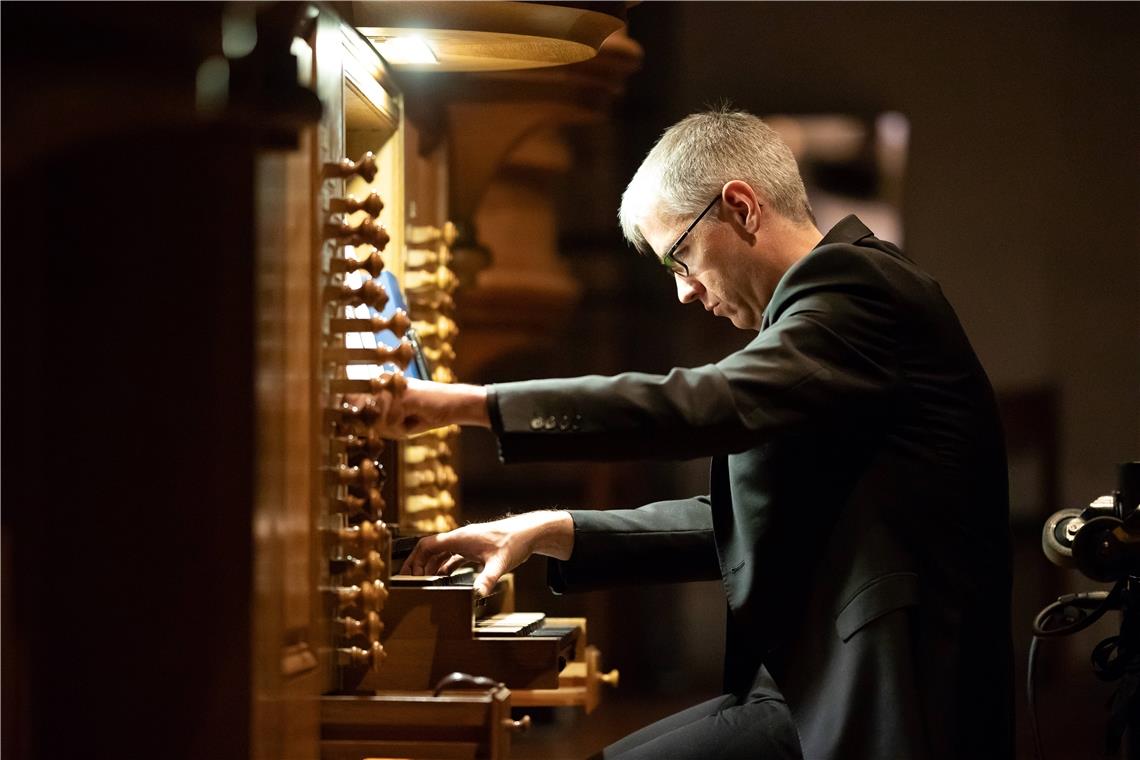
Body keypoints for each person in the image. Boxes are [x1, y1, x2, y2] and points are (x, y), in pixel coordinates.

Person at [364, 109, 1013, 759]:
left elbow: (704, 402)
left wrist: (475, 404)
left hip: (890, 700)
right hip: (812, 688)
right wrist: (549, 529)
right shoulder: (819, 321)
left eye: (681, 256)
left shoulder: (858, 288)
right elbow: (745, 523)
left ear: (740, 207)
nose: (684, 292)